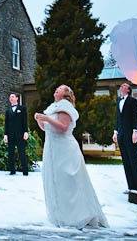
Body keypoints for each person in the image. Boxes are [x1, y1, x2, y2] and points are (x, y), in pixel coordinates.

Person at [34, 85, 108, 229]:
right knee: (55, 181)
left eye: (61, 88)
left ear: (66, 94)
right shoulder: (53, 107)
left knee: (68, 182)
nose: (56, 89)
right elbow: (46, 128)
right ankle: (60, 214)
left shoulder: (65, 106)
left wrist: (47, 118)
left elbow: (63, 127)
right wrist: (40, 120)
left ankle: (75, 216)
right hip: (52, 149)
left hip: (64, 150)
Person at [112, 82, 137, 203]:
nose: (121, 87)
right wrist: (115, 132)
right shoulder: (118, 101)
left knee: (134, 161)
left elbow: (136, 117)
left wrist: (136, 131)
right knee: (126, 161)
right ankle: (131, 187)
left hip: (131, 134)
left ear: (128, 89)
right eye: (120, 86)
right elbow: (117, 118)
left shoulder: (133, 101)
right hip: (121, 135)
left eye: (123, 86)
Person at [3, 93, 29, 176]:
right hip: (10, 135)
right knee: (11, 153)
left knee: (22, 152)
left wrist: (26, 132)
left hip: (20, 134)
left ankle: (25, 171)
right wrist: (5, 134)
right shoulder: (8, 111)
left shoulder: (22, 108)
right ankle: (12, 171)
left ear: (17, 98)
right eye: (10, 97)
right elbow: (6, 124)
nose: (11, 98)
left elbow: (25, 121)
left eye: (13, 96)